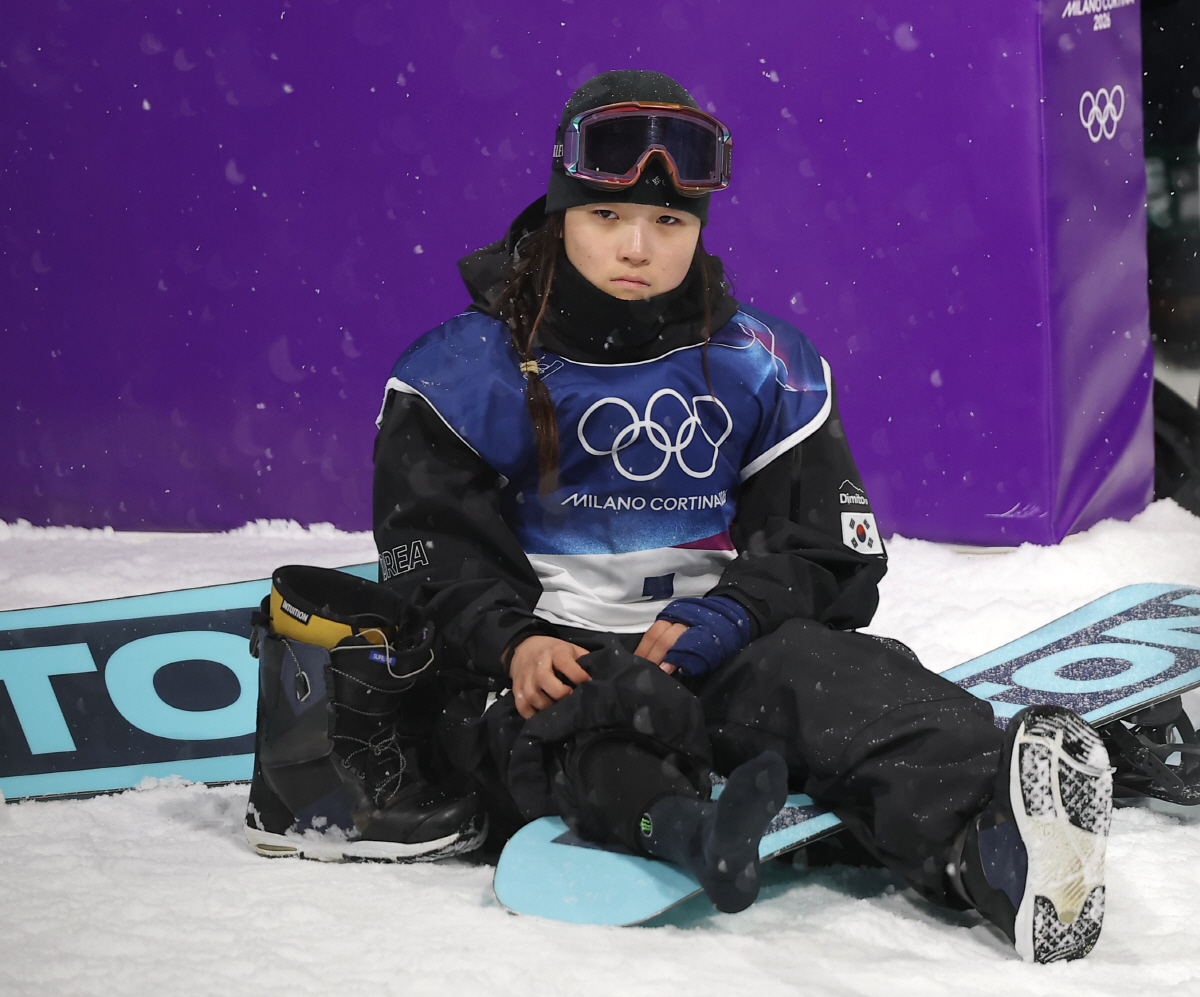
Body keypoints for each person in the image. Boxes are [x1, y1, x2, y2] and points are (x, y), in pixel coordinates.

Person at [249, 70, 1113, 964]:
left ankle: (998, 848)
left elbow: (827, 550)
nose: (638, 245)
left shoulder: (766, 362)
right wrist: (513, 643)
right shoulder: (454, 375)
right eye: (607, 217)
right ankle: (690, 824)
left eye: (669, 222)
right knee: (592, 730)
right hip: (539, 677)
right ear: (560, 213)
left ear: (698, 227)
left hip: (708, 653)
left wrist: (731, 614)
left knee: (842, 677)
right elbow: (434, 565)